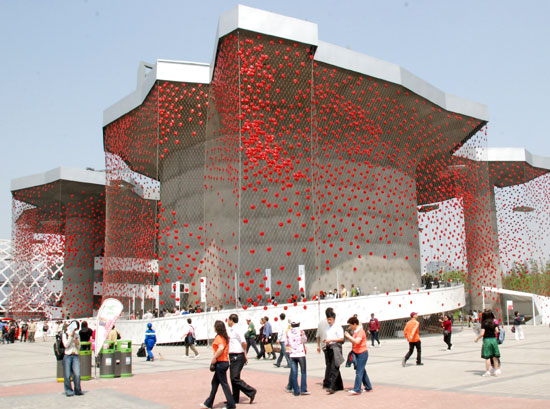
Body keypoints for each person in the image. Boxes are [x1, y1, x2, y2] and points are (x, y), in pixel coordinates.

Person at [201, 320, 236, 409]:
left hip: (221, 362)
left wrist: (214, 358)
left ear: (217, 328)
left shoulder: (219, 337)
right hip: (223, 362)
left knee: (224, 384)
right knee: (215, 383)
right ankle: (208, 403)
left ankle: (231, 404)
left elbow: (220, 348)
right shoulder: (225, 337)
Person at [227, 314, 256, 404]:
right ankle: (235, 398)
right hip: (233, 356)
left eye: (228, 320)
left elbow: (243, 342)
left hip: (238, 356)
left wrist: (244, 353)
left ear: (231, 320)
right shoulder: (231, 330)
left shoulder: (236, 329)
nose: (227, 322)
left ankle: (250, 391)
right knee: (234, 377)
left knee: (234, 378)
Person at [344, 316, 373, 394]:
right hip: (357, 353)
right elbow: (353, 342)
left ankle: (357, 389)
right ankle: (368, 387)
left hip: (362, 353)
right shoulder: (356, 331)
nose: (350, 327)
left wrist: (348, 336)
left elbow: (357, 341)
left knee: (359, 371)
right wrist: (349, 337)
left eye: (351, 325)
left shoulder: (360, 331)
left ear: (355, 324)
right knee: (362, 370)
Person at [285, 319, 309, 396]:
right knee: (303, 372)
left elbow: (286, 343)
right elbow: (304, 340)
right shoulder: (301, 331)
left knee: (294, 373)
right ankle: (303, 389)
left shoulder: (288, 332)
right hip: (301, 353)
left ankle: (296, 391)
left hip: (292, 354)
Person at [322, 310, 344, 394]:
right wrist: (327, 341)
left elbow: (341, 339)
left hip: (336, 348)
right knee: (332, 367)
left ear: (334, 319)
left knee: (334, 368)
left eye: (330, 319)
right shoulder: (328, 327)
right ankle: (339, 385)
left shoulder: (338, 327)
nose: (329, 321)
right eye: (328, 319)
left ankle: (332, 387)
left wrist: (331, 340)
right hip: (329, 348)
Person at [475, 311, 501, 376]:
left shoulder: (484, 323)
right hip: (493, 340)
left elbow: (482, 334)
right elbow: (497, 331)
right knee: (495, 356)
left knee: (488, 357)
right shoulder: (493, 322)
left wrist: (477, 339)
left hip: (487, 340)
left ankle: (487, 371)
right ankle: (497, 370)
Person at [62, 321, 83, 397]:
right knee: (67, 375)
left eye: (76, 329)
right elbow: (66, 345)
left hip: (75, 355)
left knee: (77, 374)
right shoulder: (65, 334)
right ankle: (68, 390)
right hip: (67, 355)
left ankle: (78, 389)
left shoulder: (77, 335)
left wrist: (77, 342)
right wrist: (71, 337)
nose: (75, 330)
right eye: (75, 329)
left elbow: (79, 347)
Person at [317, 307, 333, 389]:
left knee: (329, 364)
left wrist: (318, 346)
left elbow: (318, 336)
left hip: (323, 346)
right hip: (329, 345)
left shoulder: (320, 323)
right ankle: (327, 382)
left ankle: (330, 381)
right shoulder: (331, 322)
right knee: (330, 364)